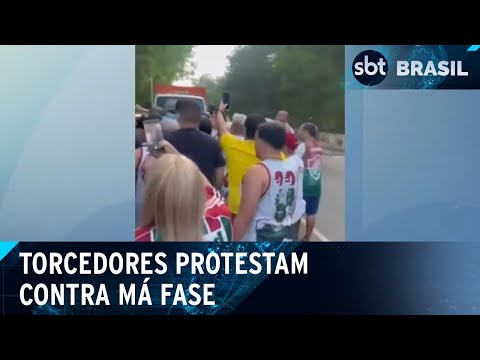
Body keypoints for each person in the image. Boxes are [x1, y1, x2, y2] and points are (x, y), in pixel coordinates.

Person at [135, 141, 233, 242]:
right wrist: (177, 156)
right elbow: (200, 181)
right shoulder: (220, 215)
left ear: (152, 194)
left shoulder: (141, 238)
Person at [233, 122, 304, 242]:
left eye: (256, 140)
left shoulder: (257, 172)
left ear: (262, 142)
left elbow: (245, 217)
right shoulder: (292, 170)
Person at [214, 102, 268, 217]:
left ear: (244, 129)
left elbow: (222, 129)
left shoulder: (232, 146)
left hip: (236, 208)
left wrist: (220, 111)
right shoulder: (272, 154)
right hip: (261, 209)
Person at [164, 99, 225, 189]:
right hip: (204, 196)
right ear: (199, 119)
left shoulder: (167, 141)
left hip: (174, 195)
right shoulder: (213, 143)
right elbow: (219, 175)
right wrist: (213, 193)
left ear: (178, 118)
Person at [298, 122, 323, 241]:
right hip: (316, 182)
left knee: (297, 212)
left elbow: (294, 161)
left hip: (304, 182)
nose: (299, 132)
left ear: (306, 132)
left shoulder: (303, 145)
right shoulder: (318, 145)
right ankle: (307, 237)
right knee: (311, 213)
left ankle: (293, 235)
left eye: (301, 130)